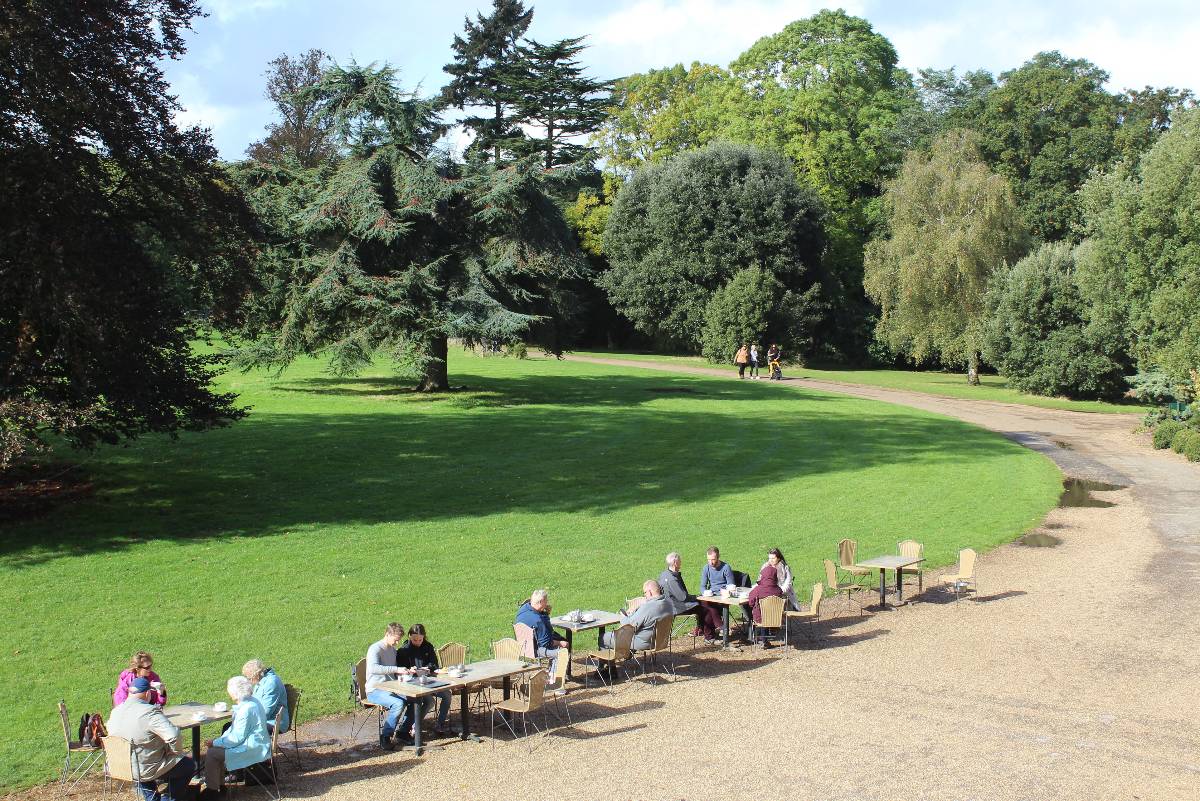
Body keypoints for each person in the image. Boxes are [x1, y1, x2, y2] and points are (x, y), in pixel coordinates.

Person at [106, 676, 195, 801]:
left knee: (140, 762)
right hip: (146, 768)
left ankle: (151, 798)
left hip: (122, 766)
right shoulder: (149, 712)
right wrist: (176, 752)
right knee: (188, 765)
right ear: (148, 693)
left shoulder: (115, 712)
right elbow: (174, 735)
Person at [202, 676, 271, 797]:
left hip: (253, 748)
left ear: (235, 693)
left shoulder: (246, 709)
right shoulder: (253, 701)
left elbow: (236, 738)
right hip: (257, 742)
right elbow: (234, 730)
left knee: (212, 753)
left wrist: (215, 742)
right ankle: (219, 787)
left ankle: (212, 791)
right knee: (215, 750)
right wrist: (218, 741)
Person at [365, 622, 415, 750]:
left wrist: (408, 671)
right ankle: (385, 737)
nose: (397, 643)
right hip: (375, 689)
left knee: (417, 700)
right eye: (395, 640)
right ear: (387, 634)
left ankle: (403, 732)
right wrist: (396, 669)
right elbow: (373, 668)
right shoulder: (375, 649)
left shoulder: (392, 650)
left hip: (392, 687)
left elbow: (395, 670)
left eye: (398, 640)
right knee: (398, 703)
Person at [397, 624, 453, 736]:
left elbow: (434, 664)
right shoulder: (404, 650)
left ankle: (440, 724)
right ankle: (414, 726)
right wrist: (409, 670)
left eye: (420, 639)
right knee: (430, 701)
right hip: (413, 682)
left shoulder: (428, 646)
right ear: (409, 636)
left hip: (429, 679)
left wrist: (428, 668)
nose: (417, 642)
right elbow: (400, 669)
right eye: (414, 640)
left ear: (424, 637)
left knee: (447, 694)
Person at [515, 589, 569, 682]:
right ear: (540, 602)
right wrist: (561, 643)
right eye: (546, 601)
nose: (547, 603)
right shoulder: (538, 620)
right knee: (561, 651)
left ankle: (554, 671)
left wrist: (543, 612)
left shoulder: (523, 610)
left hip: (522, 647)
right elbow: (547, 643)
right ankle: (554, 679)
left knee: (561, 640)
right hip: (534, 650)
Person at [599, 580, 671, 651]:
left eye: (645, 593)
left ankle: (607, 662)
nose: (645, 596)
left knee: (603, 637)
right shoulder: (668, 604)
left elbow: (630, 626)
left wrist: (623, 618)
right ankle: (627, 654)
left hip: (644, 643)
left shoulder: (648, 607)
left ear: (650, 592)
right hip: (659, 642)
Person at [697, 546, 734, 643]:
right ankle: (720, 626)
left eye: (713, 559)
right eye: (709, 560)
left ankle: (709, 637)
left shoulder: (726, 568)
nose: (711, 562)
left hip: (722, 596)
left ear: (718, 557)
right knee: (705, 604)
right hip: (711, 596)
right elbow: (702, 586)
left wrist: (724, 591)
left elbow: (731, 585)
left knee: (708, 607)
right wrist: (705, 592)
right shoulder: (706, 568)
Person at [242, 659, 289, 733]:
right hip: (261, 720)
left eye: (249, 678)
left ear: (256, 674)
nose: (249, 681)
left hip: (274, 723)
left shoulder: (271, 683)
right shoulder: (261, 682)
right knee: (229, 726)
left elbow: (266, 712)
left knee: (240, 729)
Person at [658, 552, 700, 634]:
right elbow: (683, 597)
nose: (681, 562)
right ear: (675, 563)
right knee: (703, 608)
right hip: (677, 608)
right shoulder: (672, 579)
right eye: (679, 560)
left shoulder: (663, 574)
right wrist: (697, 597)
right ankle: (707, 634)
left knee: (702, 605)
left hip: (667, 606)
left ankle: (702, 629)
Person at [743, 564, 786, 644]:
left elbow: (751, 602)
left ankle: (763, 639)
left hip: (761, 619)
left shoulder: (758, 589)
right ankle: (770, 634)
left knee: (761, 613)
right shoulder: (778, 590)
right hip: (776, 618)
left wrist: (754, 605)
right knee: (768, 612)